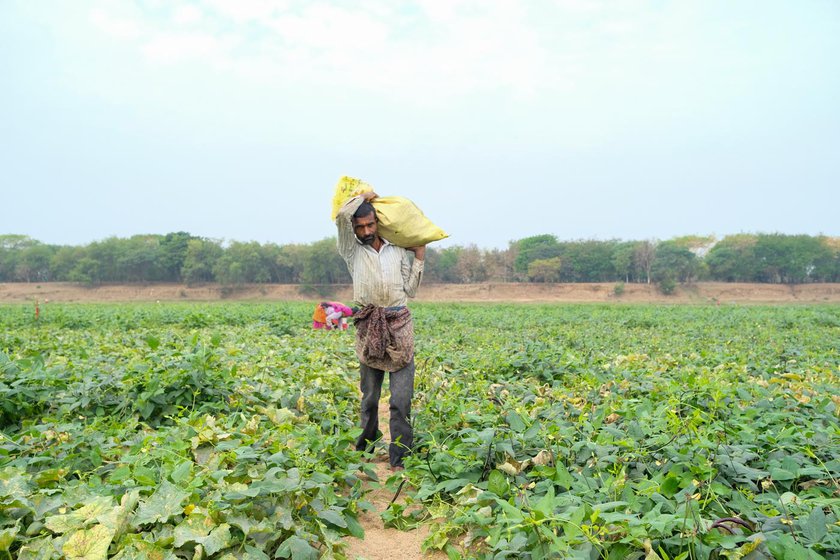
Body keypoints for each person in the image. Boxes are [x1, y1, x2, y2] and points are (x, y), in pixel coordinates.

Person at [336, 190, 426, 471]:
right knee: (370, 397)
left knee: (400, 400)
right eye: (360, 226)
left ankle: (399, 458)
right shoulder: (351, 251)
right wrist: (361, 197)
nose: (365, 231)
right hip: (369, 326)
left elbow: (410, 289)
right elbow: (341, 216)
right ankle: (366, 450)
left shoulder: (397, 249)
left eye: (370, 225)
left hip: (399, 326)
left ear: (378, 223)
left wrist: (419, 257)